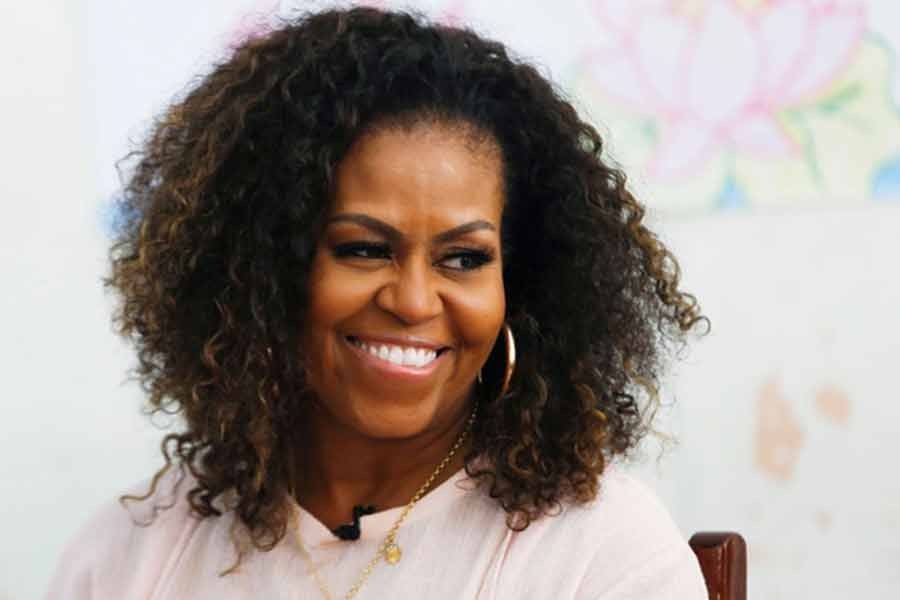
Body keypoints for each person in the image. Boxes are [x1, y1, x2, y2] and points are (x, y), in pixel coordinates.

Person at [46, 6, 710, 599]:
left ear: (522, 288)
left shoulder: (600, 554)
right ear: (265, 272)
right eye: (364, 249)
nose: (415, 299)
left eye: (464, 259)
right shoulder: (133, 558)